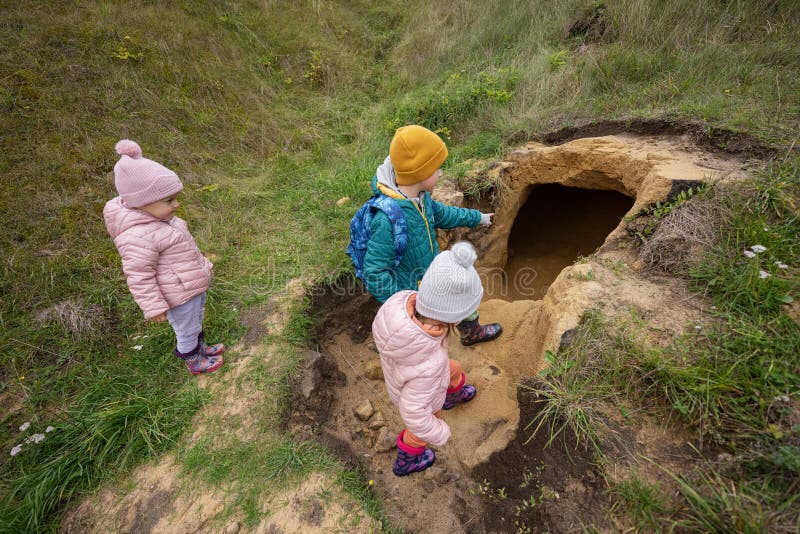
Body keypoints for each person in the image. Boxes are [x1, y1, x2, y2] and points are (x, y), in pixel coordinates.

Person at [363, 124, 501, 345]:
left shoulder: (421, 197)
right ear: (420, 174)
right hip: (413, 295)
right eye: (437, 168)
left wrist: (477, 218)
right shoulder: (387, 220)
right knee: (427, 337)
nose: (441, 172)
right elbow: (375, 272)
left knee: (460, 293)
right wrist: (404, 305)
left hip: (433, 275)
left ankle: (470, 331)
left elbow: (444, 214)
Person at [103, 139, 225, 375]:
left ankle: (202, 348)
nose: (177, 205)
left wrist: (205, 265)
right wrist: (153, 306)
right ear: (142, 202)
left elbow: (188, 249)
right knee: (186, 329)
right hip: (176, 297)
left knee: (196, 321)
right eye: (169, 201)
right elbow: (139, 275)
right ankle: (194, 362)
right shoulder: (137, 236)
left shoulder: (165, 220)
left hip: (191, 287)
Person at [372, 241, 484, 476]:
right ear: (451, 315)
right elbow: (414, 413)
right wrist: (438, 431)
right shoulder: (429, 367)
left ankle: (452, 396)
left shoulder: (404, 304)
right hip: (420, 394)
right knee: (421, 429)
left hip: (406, 373)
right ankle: (407, 461)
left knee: (454, 368)